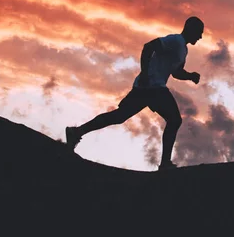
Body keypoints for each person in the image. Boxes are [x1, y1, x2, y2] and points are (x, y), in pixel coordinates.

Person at [65, 16, 204, 171]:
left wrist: (190, 75)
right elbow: (148, 46)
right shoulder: (175, 40)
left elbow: (176, 72)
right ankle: (165, 164)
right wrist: (145, 73)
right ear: (190, 29)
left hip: (147, 88)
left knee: (119, 116)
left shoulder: (183, 49)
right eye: (199, 32)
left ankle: (76, 132)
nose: (200, 37)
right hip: (152, 86)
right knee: (174, 120)